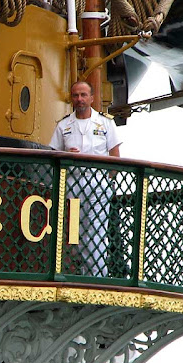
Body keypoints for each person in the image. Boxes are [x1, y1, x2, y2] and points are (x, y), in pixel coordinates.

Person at [49, 81, 122, 277]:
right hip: (72, 183)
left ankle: (97, 278)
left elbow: (115, 153)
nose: (79, 99)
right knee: (74, 232)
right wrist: (67, 154)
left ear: (91, 98)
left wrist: (108, 180)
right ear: (71, 99)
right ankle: (77, 274)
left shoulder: (105, 122)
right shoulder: (64, 124)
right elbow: (53, 155)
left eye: (83, 95)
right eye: (75, 95)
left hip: (97, 182)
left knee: (96, 231)